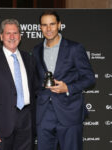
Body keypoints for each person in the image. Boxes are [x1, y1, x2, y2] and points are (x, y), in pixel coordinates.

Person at [33, 10, 95, 150]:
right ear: (40, 28)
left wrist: (68, 88)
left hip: (69, 112)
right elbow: (35, 80)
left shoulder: (74, 48)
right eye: (44, 25)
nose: (48, 29)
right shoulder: (36, 51)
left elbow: (89, 78)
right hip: (44, 114)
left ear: (59, 25)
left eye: (52, 24)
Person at [0, 19, 36, 150]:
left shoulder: (29, 59)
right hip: (0, 126)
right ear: (1, 36)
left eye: (15, 33)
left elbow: (35, 90)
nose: (12, 37)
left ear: (20, 36)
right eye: (8, 33)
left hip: (27, 121)